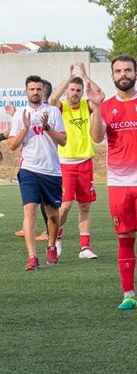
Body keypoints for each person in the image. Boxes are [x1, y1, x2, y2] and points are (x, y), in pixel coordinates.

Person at [88, 55, 137, 311]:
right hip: (118, 184)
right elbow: (97, 138)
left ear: (136, 73)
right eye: (119, 71)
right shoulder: (107, 105)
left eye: (128, 70)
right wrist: (96, 107)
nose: (123, 74)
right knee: (124, 237)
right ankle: (129, 293)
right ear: (112, 76)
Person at [6, 75, 67, 269]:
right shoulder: (19, 115)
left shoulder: (53, 111)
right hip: (29, 169)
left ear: (43, 91)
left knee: (53, 215)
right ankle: (32, 257)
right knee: (29, 210)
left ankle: (51, 245)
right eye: (32, 89)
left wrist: (47, 127)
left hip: (51, 171)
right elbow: (12, 146)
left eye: (38, 89)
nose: (35, 92)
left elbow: (63, 141)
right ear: (26, 91)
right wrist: (25, 128)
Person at [49, 63, 104, 259]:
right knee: (65, 206)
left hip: (85, 161)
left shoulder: (86, 105)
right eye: (72, 89)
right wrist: (69, 77)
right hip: (65, 163)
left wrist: (85, 76)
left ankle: (85, 248)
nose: (75, 93)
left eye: (78, 90)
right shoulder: (61, 107)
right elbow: (53, 98)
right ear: (67, 91)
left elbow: (101, 96)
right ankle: (57, 237)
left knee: (85, 205)